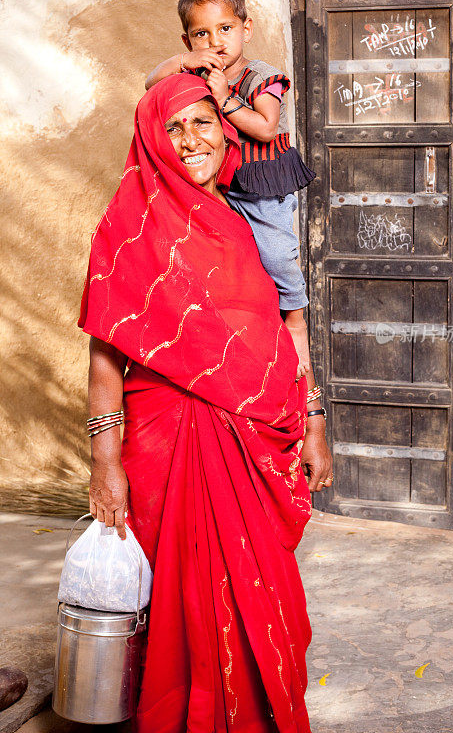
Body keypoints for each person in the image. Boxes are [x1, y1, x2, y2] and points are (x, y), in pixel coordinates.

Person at [79, 72, 332, 732]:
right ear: (152, 139)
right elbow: (106, 350)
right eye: (174, 127)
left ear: (224, 129)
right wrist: (105, 459)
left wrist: (311, 419)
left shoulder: (241, 214)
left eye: (202, 122)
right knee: (183, 608)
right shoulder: (131, 221)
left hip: (252, 440)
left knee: (265, 595)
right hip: (171, 444)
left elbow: (280, 327)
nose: (192, 139)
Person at [145, 0, 315, 380]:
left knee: (274, 254)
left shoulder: (261, 77)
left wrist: (224, 99)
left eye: (225, 29)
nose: (215, 41)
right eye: (201, 34)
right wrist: (181, 65)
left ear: (246, 29)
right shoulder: (198, 70)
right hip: (224, 183)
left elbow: (265, 128)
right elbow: (151, 82)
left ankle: (294, 318)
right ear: (188, 42)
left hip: (261, 187)